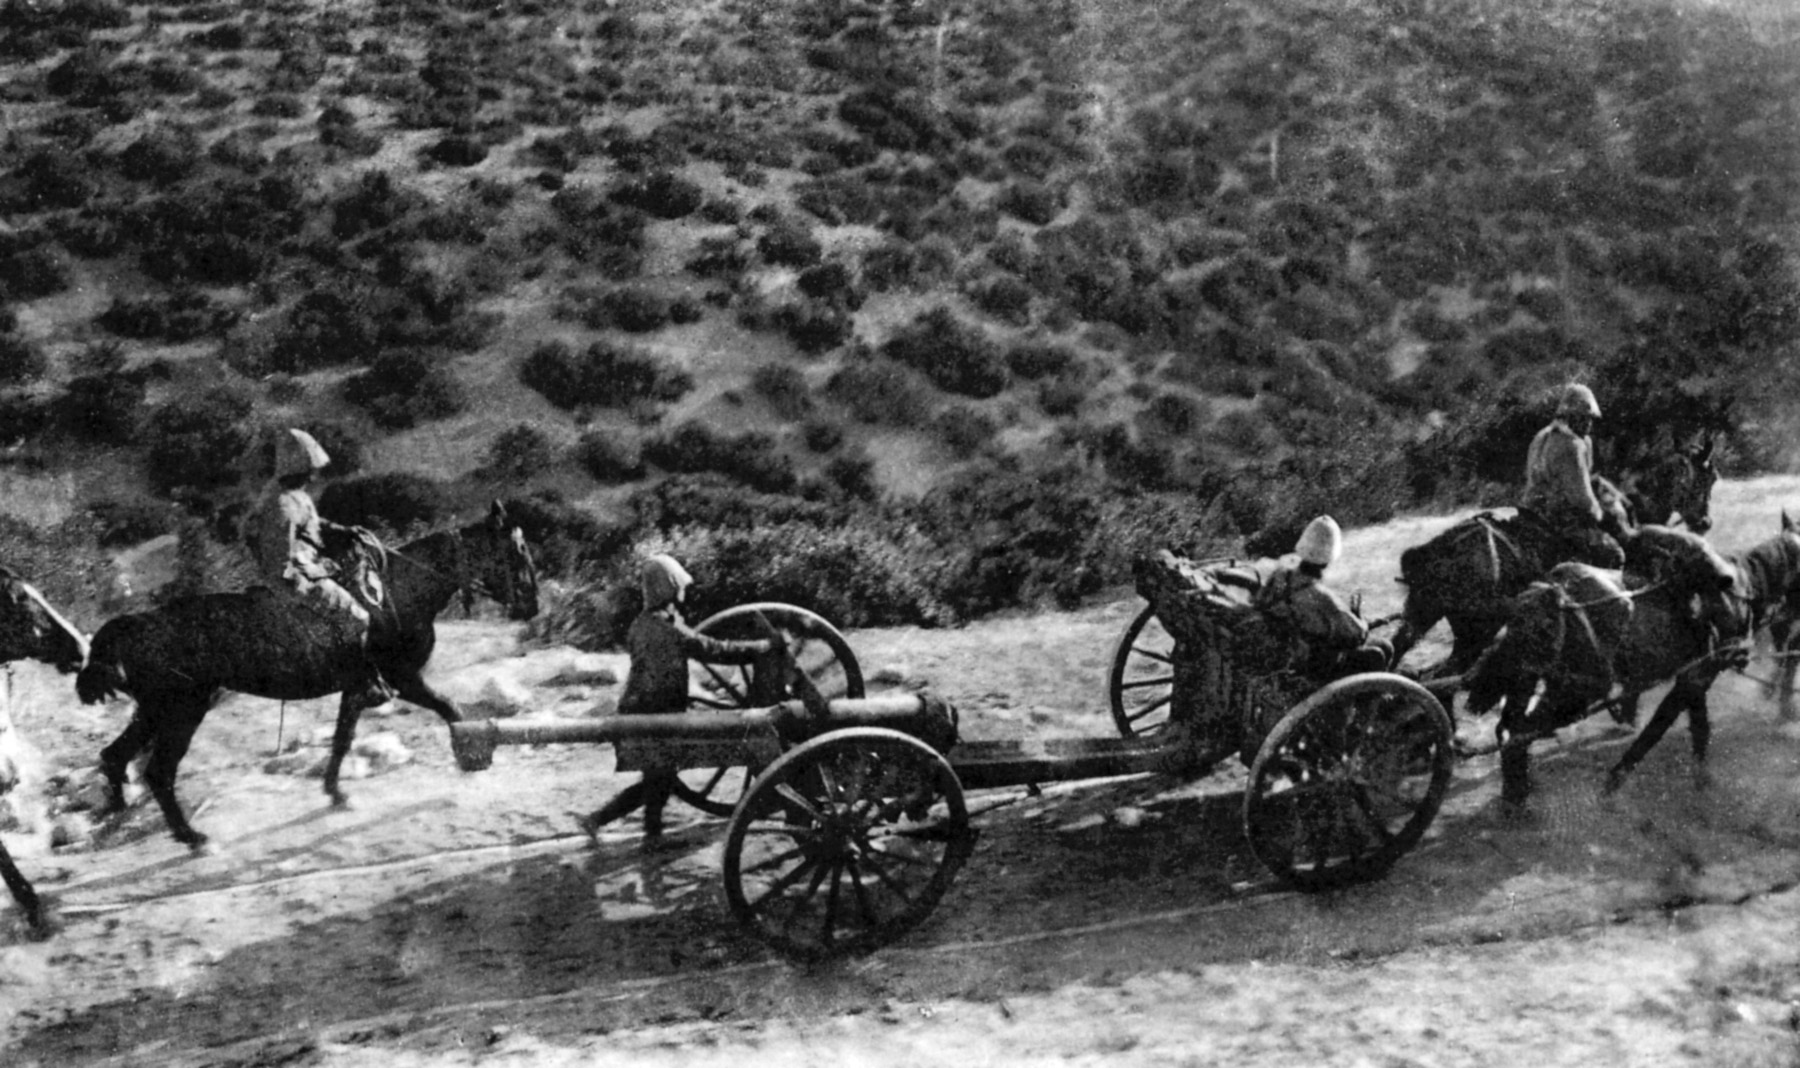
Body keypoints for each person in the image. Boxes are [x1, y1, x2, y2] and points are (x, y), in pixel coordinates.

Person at [580, 554, 785, 852]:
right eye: (680, 587)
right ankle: (607, 822)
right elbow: (713, 649)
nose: (685, 592)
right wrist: (763, 648)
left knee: (658, 778)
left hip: (640, 709)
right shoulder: (668, 629)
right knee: (659, 780)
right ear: (670, 590)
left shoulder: (642, 624)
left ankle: (639, 831)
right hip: (655, 715)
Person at [246, 428, 395, 708]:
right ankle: (359, 685)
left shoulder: (295, 496)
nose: (314, 475)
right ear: (297, 469)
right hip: (293, 578)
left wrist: (343, 530)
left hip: (309, 567)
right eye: (309, 469)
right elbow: (278, 555)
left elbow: (312, 524)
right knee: (358, 617)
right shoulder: (281, 502)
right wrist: (304, 578)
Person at [1253, 515, 1391, 678]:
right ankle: (1367, 701)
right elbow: (1357, 634)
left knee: (1380, 646)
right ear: (1328, 560)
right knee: (1378, 653)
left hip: (1288, 652)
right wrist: (1363, 621)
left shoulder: (1281, 574)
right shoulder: (1321, 596)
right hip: (1311, 666)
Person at [1521, 383, 1625, 569]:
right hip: (1560, 521)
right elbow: (1581, 498)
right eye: (1583, 419)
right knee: (1614, 553)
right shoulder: (1571, 445)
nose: (1589, 424)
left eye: (1590, 419)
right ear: (1570, 417)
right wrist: (1601, 514)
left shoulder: (1541, 436)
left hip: (1532, 514)